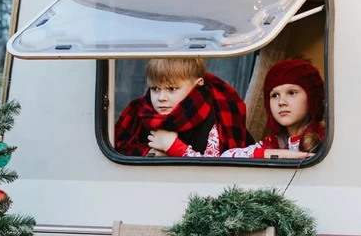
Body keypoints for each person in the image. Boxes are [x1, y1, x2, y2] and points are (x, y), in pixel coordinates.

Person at [114, 57, 251, 158]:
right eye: (155, 89)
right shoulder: (139, 114)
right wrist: (149, 154)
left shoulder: (216, 116)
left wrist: (173, 147)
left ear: (197, 84)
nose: (161, 97)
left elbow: (218, 168)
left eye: (171, 89)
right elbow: (118, 151)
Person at [222, 58, 325, 160]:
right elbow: (226, 157)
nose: (281, 102)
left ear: (312, 98)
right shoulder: (274, 141)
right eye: (275, 95)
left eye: (291, 93)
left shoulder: (328, 139)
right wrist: (283, 154)